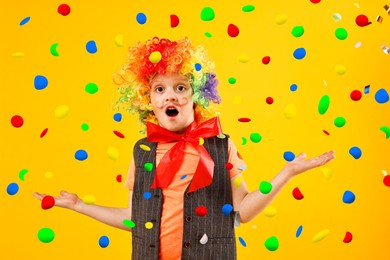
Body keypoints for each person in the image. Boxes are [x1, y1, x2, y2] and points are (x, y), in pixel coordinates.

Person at [34, 37, 335, 259]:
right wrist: (79, 206)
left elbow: (242, 211)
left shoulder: (221, 146)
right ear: (147, 100)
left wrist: (287, 173)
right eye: (159, 89)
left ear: (197, 95)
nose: (171, 97)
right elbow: (133, 218)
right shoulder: (142, 151)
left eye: (181, 87)